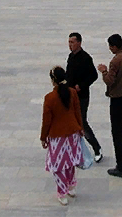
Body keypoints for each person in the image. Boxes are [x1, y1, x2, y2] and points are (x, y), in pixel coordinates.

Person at [41, 65, 84, 205]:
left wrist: (43, 137)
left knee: (58, 165)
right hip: (73, 132)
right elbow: (78, 112)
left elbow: (47, 121)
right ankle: (71, 186)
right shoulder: (72, 92)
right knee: (70, 161)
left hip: (57, 135)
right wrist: (81, 128)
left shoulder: (50, 98)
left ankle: (62, 192)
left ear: (53, 80)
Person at [97, 34, 122, 178]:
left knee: (116, 132)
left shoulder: (116, 61)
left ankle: (121, 167)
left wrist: (103, 71)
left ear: (114, 46)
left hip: (117, 99)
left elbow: (109, 81)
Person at [65, 33, 103, 163]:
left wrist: (81, 85)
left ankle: (97, 148)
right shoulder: (71, 57)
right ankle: (74, 150)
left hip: (81, 97)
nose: (70, 45)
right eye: (69, 42)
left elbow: (93, 75)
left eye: (72, 42)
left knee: (82, 123)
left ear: (79, 43)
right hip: (70, 95)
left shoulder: (86, 58)